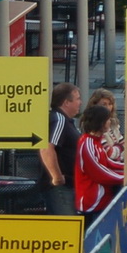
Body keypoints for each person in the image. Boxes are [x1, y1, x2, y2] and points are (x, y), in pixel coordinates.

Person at [74, 104, 127, 221]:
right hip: (92, 204)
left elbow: (109, 163)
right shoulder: (87, 144)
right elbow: (99, 173)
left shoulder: (96, 142)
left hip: (101, 201)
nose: (110, 122)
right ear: (100, 123)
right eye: (107, 120)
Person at [36, 82, 82, 216]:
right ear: (66, 102)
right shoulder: (59, 120)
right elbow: (46, 148)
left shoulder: (65, 121)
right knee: (68, 228)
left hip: (68, 185)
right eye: (78, 98)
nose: (80, 102)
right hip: (60, 188)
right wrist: (57, 177)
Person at [87, 89, 124, 165]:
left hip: (118, 164)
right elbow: (110, 154)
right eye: (104, 104)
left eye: (110, 104)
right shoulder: (94, 127)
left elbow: (125, 146)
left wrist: (119, 148)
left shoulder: (113, 123)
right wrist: (121, 147)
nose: (108, 107)